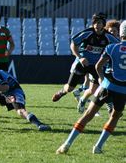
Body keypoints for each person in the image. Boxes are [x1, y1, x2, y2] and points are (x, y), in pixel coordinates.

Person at [56, 20, 126, 154]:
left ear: (121, 33)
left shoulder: (111, 48)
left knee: (88, 114)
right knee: (114, 117)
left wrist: (101, 78)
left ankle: (66, 144)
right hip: (122, 90)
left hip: (106, 85)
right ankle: (98, 147)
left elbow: (98, 66)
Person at [52, 13, 119, 115]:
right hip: (83, 64)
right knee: (70, 88)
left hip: (96, 67)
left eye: (100, 23)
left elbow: (118, 46)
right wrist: (80, 57)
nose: (97, 25)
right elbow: (73, 44)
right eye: (95, 23)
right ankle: (62, 92)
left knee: (103, 85)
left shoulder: (108, 36)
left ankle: (109, 105)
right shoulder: (87, 33)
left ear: (103, 24)